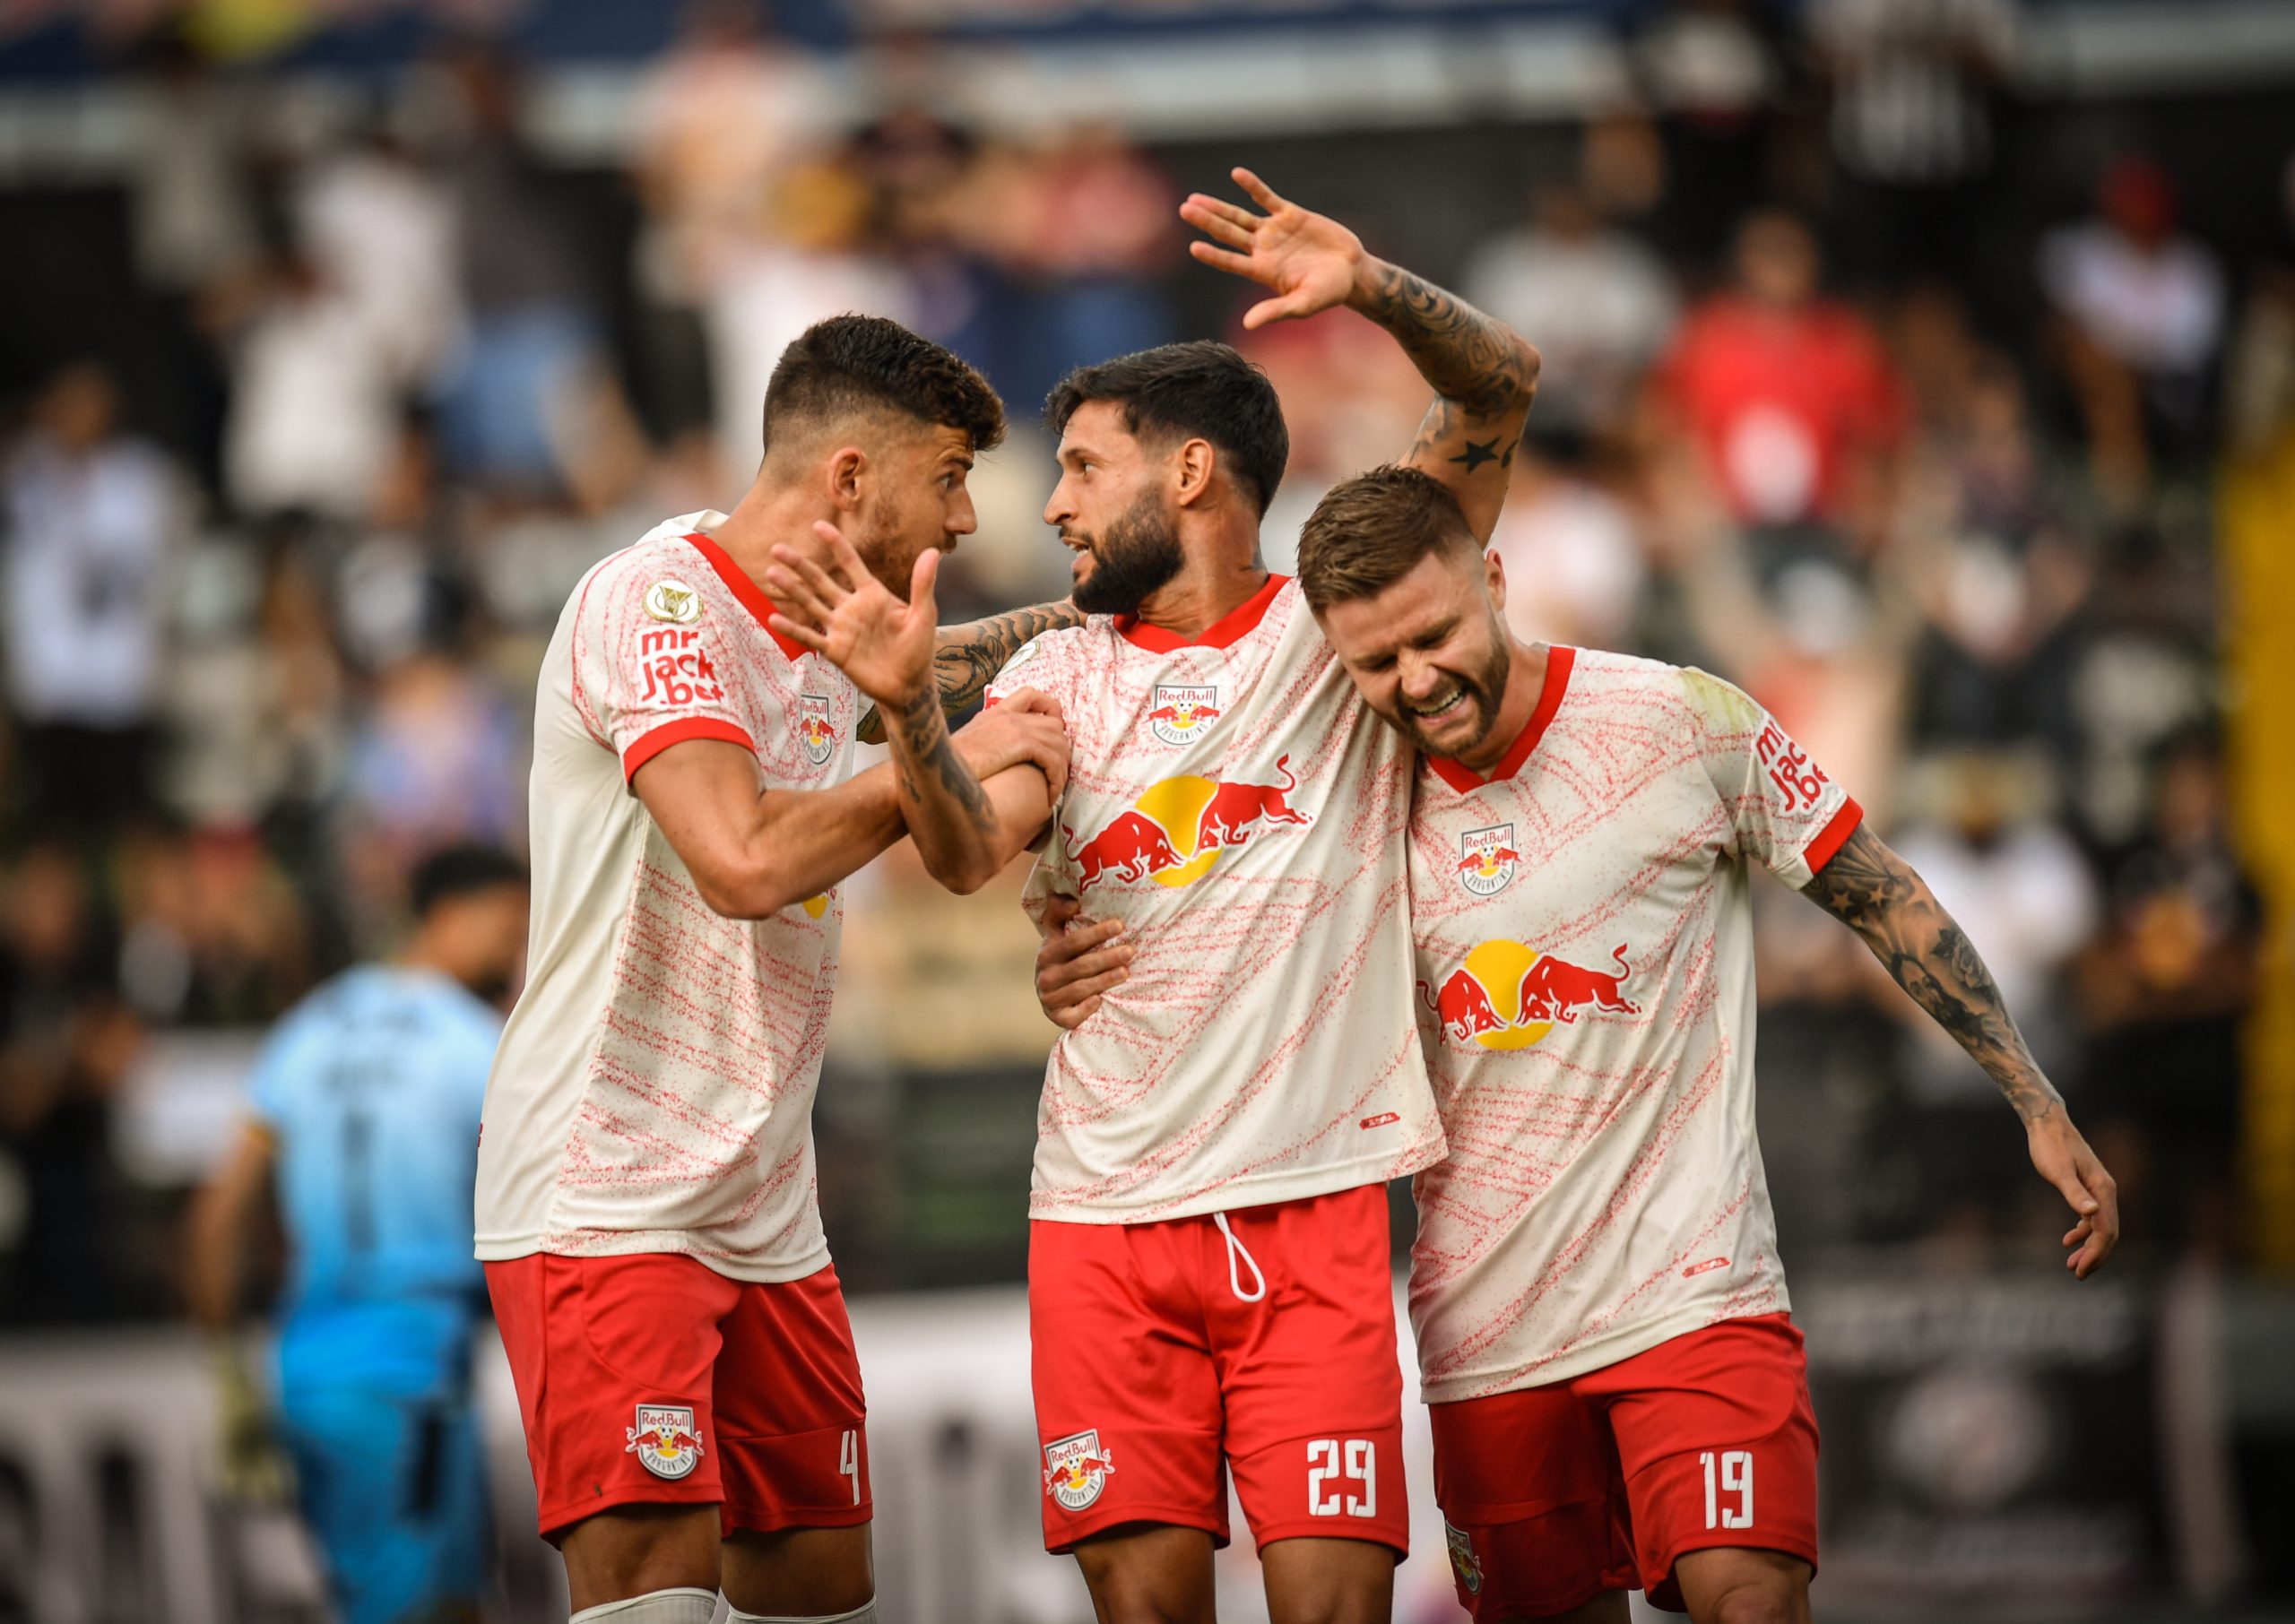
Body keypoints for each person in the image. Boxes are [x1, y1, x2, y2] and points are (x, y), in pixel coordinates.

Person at [1038, 464, 2122, 1624]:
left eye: (1435, 635)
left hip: (1694, 1292)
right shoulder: (1341, 805)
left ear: (1496, 579)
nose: (1417, 678)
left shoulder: (1679, 721)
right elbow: (1195, 923)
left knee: (1749, 1601)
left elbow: (1877, 891)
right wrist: (1069, 958)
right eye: (1375, 663)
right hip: (1486, 1335)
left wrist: (2034, 1098)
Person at [798, 169, 1539, 1624]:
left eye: (1081, 464)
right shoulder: (1057, 676)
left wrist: (1374, 284)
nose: (1055, 499)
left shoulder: (1339, 630)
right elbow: (964, 849)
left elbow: (1502, 386)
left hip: (1311, 1211)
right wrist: (907, 719)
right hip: (1102, 1223)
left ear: (1189, 471)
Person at [472, 313, 1071, 1624]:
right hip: (610, 1185)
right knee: (656, 1604)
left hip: (762, 1196)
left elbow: (937, 674)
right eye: (950, 476)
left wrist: (1103, 620)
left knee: (818, 1590)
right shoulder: (658, 603)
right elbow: (741, 861)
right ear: (851, 478)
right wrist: (928, 754)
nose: (968, 519)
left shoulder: (818, 630)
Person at [185, 843, 533, 1624]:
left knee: (442, 1603)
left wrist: (231, 1378)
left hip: (305, 1368)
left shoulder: (311, 1027)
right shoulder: (478, 1044)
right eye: (510, 931)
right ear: (453, 916)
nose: (517, 955)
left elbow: (215, 1217)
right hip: (409, 1375)